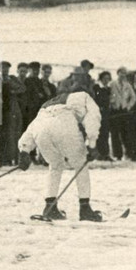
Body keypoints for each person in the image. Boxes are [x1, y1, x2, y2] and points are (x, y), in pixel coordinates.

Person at [17, 73, 103, 222]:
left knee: (55, 165)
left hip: (41, 131)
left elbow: (36, 124)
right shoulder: (85, 97)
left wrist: (24, 149)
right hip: (64, 125)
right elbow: (92, 119)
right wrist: (92, 144)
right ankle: (85, 209)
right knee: (81, 164)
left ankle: (50, 207)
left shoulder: (49, 102)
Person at [107, 67, 136, 161]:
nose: (123, 75)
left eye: (124, 73)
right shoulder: (111, 84)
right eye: (121, 73)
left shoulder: (127, 85)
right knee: (115, 133)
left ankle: (128, 153)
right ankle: (117, 154)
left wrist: (128, 106)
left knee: (125, 133)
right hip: (114, 111)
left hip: (124, 111)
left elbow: (133, 97)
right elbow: (107, 95)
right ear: (117, 73)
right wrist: (111, 103)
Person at [92, 71, 113, 160]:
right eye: (104, 78)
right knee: (99, 133)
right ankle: (99, 153)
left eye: (108, 79)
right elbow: (95, 99)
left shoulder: (108, 89)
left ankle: (106, 153)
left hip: (106, 114)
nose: (106, 80)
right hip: (97, 113)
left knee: (106, 133)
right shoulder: (96, 88)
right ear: (101, 78)